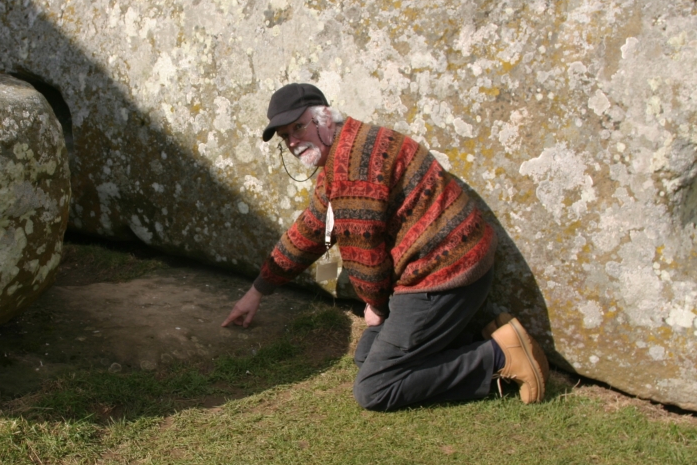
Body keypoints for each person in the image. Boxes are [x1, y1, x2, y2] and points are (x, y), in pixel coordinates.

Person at [222, 83, 549, 411]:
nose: (293, 141)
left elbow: (365, 260)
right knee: (366, 354)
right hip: (451, 267)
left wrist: (377, 308)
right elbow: (310, 230)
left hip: (446, 277)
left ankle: (498, 356)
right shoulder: (350, 145)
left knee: (376, 388)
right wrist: (257, 291)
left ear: (325, 117)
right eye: (284, 136)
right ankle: (472, 340)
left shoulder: (351, 168)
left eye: (298, 127)